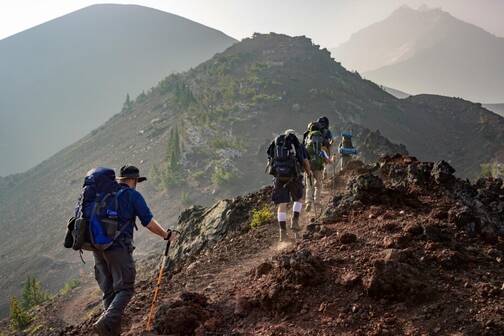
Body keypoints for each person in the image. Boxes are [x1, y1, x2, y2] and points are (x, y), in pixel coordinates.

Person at [92, 165, 177, 336]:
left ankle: (110, 332)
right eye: (136, 181)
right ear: (133, 180)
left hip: (97, 247)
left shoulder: (103, 195)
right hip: (118, 248)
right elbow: (148, 222)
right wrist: (165, 235)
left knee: (110, 291)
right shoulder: (132, 195)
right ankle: (106, 322)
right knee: (125, 289)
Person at [267, 129, 312, 241]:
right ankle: (295, 221)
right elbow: (304, 161)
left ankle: (283, 233)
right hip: (293, 177)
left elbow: (270, 161)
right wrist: (308, 172)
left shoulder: (276, 144)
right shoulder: (296, 144)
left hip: (279, 178)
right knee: (298, 199)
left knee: (281, 205)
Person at [303, 122, 332, 212]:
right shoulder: (321, 139)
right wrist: (328, 160)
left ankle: (308, 202)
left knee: (309, 185)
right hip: (318, 166)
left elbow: (303, 153)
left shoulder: (307, 138)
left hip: (309, 166)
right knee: (318, 185)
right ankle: (317, 201)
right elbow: (324, 152)